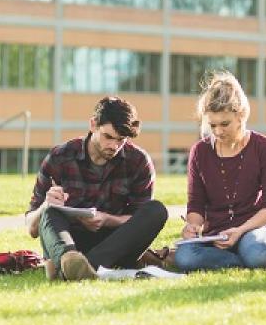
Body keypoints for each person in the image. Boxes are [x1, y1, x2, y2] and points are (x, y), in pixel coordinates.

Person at [174, 71, 266, 271]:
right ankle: (246, 260)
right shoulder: (200, 151)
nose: (218, 131)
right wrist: (193, 226)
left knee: (255, 252)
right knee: (185, 258)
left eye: (225, 124)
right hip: (216, 234)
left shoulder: (263, 147)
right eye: (212, 125)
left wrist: (240, 230)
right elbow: (195, 203)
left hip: (253, 229)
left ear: (241, 116)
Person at [25, 96, 168, 281]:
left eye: (121, 140)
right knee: (49, 211)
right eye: (108, 137)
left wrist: (108, 219)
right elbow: (31, 228)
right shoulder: (60, 157)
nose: (113, 146)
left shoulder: (138, 161)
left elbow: (139, 221)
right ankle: (71, 262)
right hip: (69, 241)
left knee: (156, 210)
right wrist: (46, 204)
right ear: (93, 124)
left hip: (114, 245)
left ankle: (77, 269)